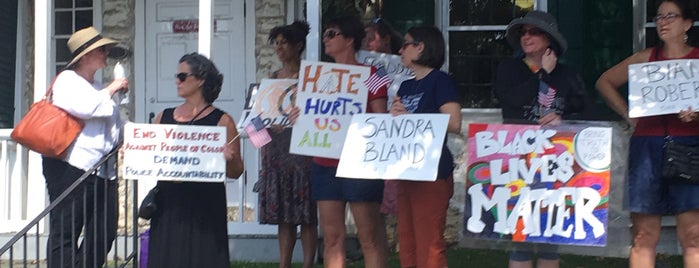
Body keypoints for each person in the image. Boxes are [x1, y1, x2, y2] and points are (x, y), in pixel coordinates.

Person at [596, 0, 699, 267]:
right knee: (643, 236)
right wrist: (629, 114)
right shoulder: (645, 58)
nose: (662, 21)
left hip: (691, 147)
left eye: (671, 16)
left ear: (687, 23)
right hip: (647, 149)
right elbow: (604, 82)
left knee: (694, 236)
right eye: (659, 16)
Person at [291, 15, 389, 268]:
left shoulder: (372, 74)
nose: (325, 39)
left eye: (331, 34)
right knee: (332, 237)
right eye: (325, 34)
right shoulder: (317, 77)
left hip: (360, 163)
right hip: (324, 162)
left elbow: (382, 118)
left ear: (349, 39)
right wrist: (297, 115)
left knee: (369, 238)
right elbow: (310, 113)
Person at [495, 10, 587, 268]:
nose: (527, 36)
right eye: (523, 33)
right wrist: (542, 75)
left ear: (549, 40)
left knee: (550, 234)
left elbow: (585, 109)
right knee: (520, 235)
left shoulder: (567, 74)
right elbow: (512, 99)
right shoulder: (509, 68)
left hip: (555, 162)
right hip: (518, 160)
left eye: (533, 32)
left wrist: (562, 118)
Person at [41, 26, 128, 268]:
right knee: (66, 229)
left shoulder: (99, 87)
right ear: (86, 55)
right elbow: (85, 108)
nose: (106, 53)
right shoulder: (67, 80)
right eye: (102, 49)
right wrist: (113, 88)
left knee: (104, 231)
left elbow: (113, 125)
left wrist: (129, 135)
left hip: (103, 169)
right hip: (71, 167)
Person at [147, 53, 244, 268]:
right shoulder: (163, 117)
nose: (176, 81)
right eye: (176, 76)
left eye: (182, 76)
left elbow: (237, 171)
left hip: (205, 203)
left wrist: (230, 158)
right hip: (169, 201)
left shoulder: (222, 120)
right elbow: (151, 157)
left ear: (200, 80)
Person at [390, 26, 462, 268]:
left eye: (406, 44)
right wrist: (396, 116)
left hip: (432, 171)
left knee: (429, 243)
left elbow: (454, 122)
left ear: (421, 47)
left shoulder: (440, 81)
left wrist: (412, 118)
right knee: (407, 241)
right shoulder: (405, 87)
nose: (401, 50)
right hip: (406, 169)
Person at [257, 21, 318, 268]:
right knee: (284, 215)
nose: (279, 48)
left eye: (284, 43)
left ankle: (307, 264)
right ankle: (284, 264)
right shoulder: (271, 79)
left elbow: (321, 116)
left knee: (307, 214)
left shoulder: (312, 78)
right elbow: (256, 118)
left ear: (298, 45)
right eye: (277, 43)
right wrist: (262, 141)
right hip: (277, 151)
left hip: (305, 150)